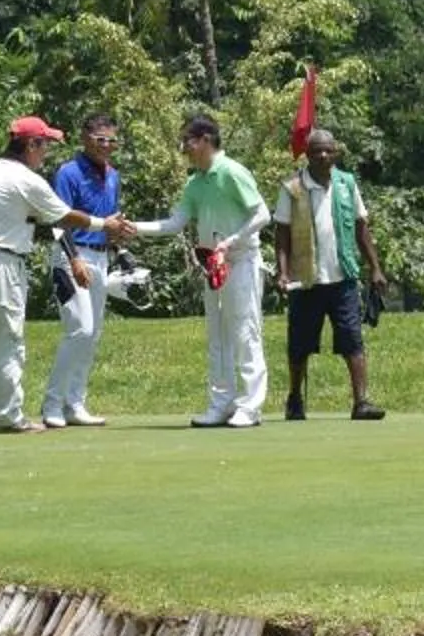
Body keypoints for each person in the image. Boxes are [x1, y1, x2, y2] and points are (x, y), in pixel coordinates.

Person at [0, 116, 130, 433]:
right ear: (31, 144)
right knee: (9, 342)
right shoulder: (27, 179)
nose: (47, 153)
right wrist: (102, 225)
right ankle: (10, 416)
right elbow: (62, 216)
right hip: (3, 262)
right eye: (45, 145)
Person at [124, 114, 271, 428]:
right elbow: (174, 223)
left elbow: (262, 214)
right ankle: (222, 404)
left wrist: (232, 241)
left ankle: (251, 406)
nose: (184, 149)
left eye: (188, 141)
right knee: (217, 335)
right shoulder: (195, 182)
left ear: (205, 140)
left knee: (245, 333)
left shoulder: (231, 171)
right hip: (212, 266)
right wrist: (133, 228)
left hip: (241, 261)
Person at [271, 127, 387, 421]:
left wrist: (375, 268)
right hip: (305, 279)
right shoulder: (292, 187)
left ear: (336, 153)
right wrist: (282, 273)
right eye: (316, 151)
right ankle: (295, 399)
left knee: (352, 338)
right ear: (307, 155)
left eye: (328, 150)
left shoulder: (347, 184)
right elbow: (281, 234)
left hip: (342, 276)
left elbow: (362, 228)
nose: (323, 155)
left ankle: (361, 401)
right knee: (299, 344)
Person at [37, 113, 124, 429]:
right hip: (71, 257)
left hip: (101, 259)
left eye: (112, 139)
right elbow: (58, 222)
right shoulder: (68, 173)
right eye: (100, 139)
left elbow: (109, 223)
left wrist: (121, 249)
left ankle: (75, 403)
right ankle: (52, 404)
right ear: (85, 139)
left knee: (92, 334)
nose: (106, 145)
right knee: (79, 330)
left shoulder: (112, 175)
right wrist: (74, 260)